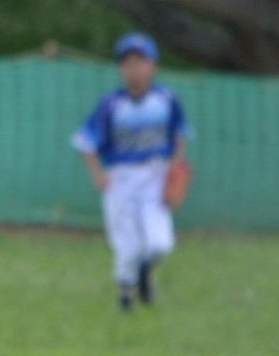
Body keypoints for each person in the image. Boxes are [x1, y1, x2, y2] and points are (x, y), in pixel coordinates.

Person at [71, 32, 190, 310]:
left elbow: (179, 134)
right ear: (121, 68)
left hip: (156, 175)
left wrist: (175, 168)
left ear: (153, 66)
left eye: (140, 61)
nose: (134, 67)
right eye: (128, 62)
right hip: (122, 176)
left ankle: (144, 274)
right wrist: (98, 175)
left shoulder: (165, 99)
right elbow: (85, 141)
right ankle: (126, 301)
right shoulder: (111, 104)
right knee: (127, 246)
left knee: (160, 244)